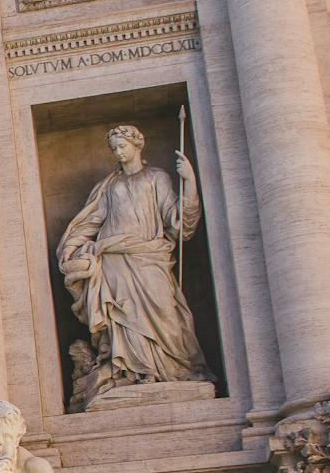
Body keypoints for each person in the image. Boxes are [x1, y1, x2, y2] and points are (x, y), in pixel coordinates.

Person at [56, 125, 213, 408]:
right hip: (114, 260)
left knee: (166, 313)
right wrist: (71, 248)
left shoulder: (156, 178)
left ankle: (174, 368)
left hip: (149, 257)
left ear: (137, 145)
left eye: (122, 146)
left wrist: (188, 181)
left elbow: (178, 221)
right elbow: (90, 222)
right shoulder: (109, 187)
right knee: (123, 316)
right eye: (114, 148)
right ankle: (131, 371)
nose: (118, 152)